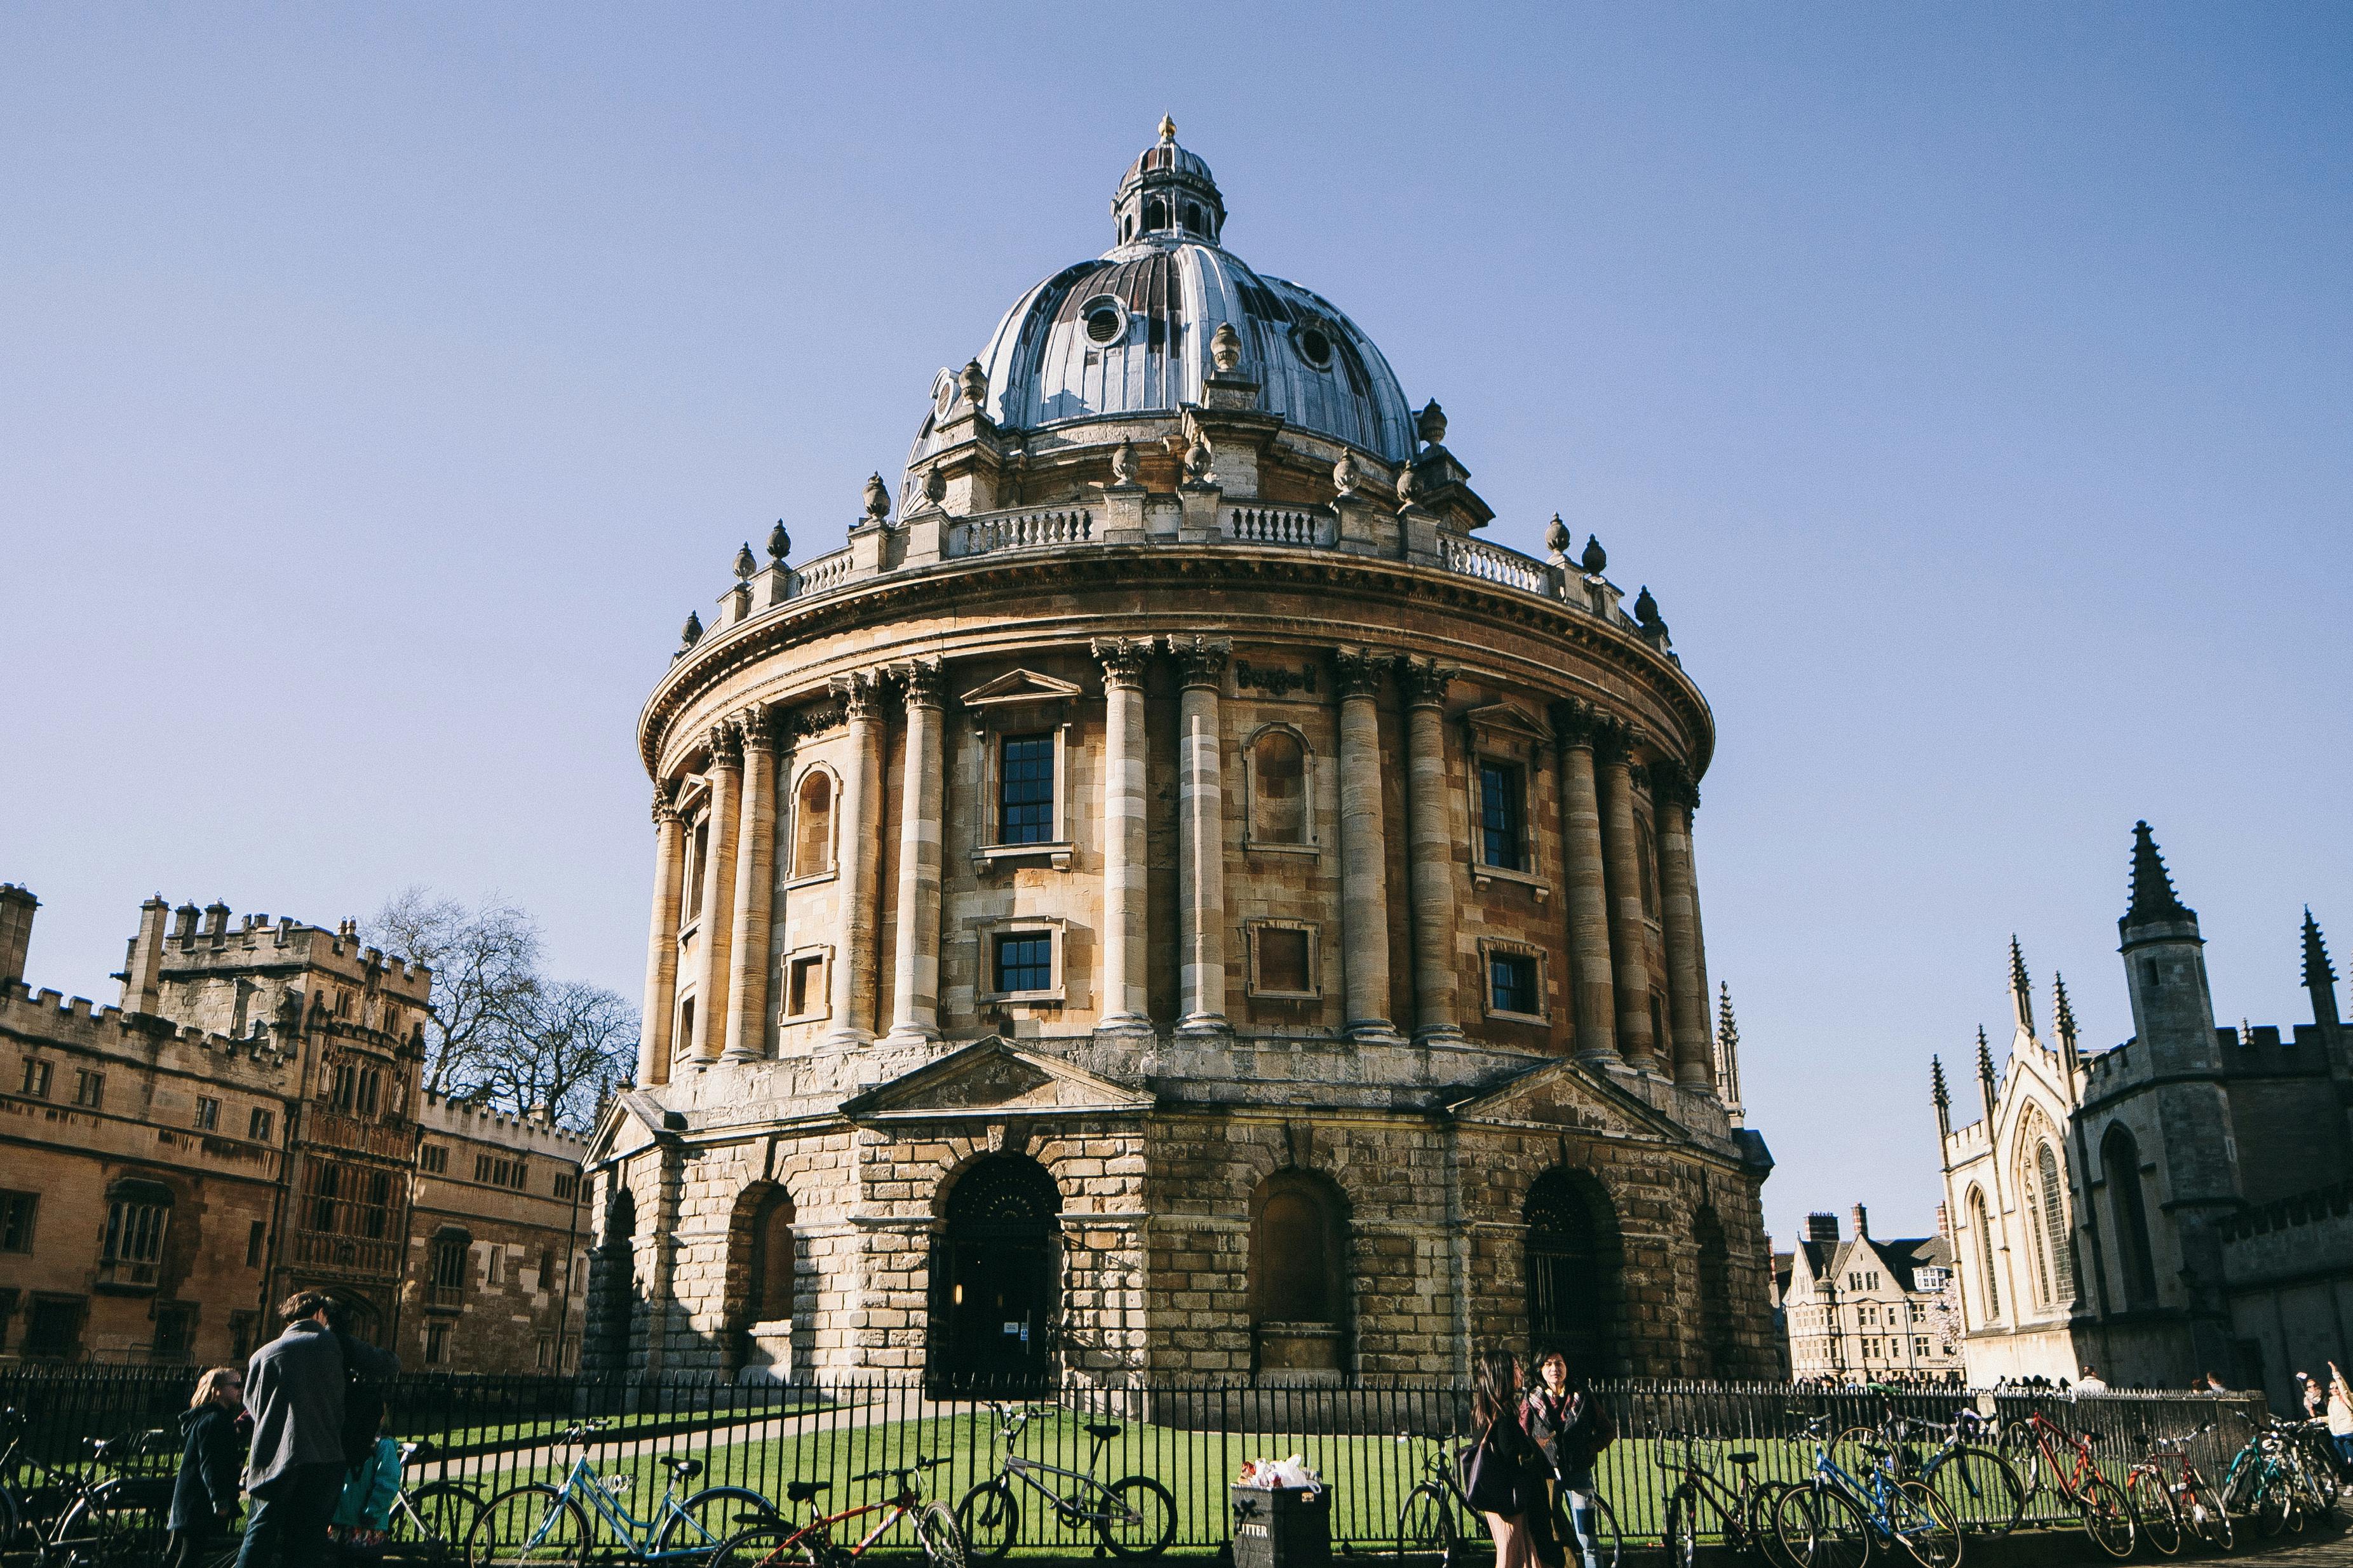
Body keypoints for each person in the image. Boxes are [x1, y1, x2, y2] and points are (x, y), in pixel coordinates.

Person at [239, 1291, 400, 1568]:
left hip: (270, 1461)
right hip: (321, 1459)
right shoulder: (332, 1343)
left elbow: (252, 1407)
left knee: (259, 1536)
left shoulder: (261, 1356)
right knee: (305, 1542)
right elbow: (388, 1364)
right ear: (319, 1314)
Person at [1521, 1349, 1606, 1568]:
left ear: (1567, 1367)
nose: (1554, 1369)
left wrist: (1590, 1449)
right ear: (1540, 1369)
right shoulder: (1532, 1399)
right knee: (1552, 1534)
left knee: (1587, 1538)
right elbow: (1523, 1433)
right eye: (1548, 1364)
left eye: (1559, 1363)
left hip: (1578, 1473)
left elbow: (1607, 1430)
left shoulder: (1582, 1395)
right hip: (1548, 1475)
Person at [1466, 1346, 1542, 1568]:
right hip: (1508, 1498)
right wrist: (1532, 1447)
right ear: (1503, 1373)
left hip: (1494, 1496)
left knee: (1515, 1553)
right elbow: (1510, 1454)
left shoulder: (1483, 1410)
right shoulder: (1505, 1413)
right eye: (1516, 1368)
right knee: (1512, 1556)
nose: (1521, 1373)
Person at [167, 1366, 245, 1567]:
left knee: (190, 1554)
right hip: (200, 1500)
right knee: (191, 1555)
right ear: (217, 1389)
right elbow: (210, 1463)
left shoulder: (209, 1418)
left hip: (193, 1498)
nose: (241, 1389)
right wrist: (219, 1500)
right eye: (236, 1385)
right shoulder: (215, 1420)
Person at [330, 1408, 403, 1565]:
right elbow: (387, 1483)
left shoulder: (381, 1445)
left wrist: (372, 1512)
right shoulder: (378, 1445)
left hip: (357, 1524)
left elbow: (387, 1484)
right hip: (358, 1524)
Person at [2326, 1363, 2353, 1473]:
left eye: (2336, 1387)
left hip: (2348, 1433)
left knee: (2351, 1459)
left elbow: (2344, 1389)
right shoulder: (2331, 1402)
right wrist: (2317, 1420)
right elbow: (2331, 1418)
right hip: (2337, 1435)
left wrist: (2335, 1373)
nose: (2335, 1389)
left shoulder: (2346, 1398)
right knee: (2345, 1462)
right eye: (2332, 1388)